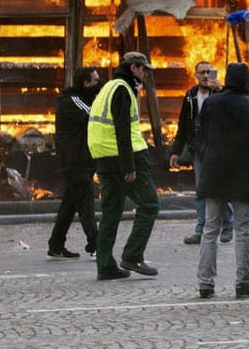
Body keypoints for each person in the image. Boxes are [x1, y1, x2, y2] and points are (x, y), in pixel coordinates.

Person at [194, 62, 249, 299]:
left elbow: (201, 136)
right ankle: (243, 282)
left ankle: (205, 283)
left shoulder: (210, 103)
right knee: (243, 230)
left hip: (213, 172)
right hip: (243, 174)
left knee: (210, 229)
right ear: (248, 82)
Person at [89, 52, 161, 280]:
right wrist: (129, 166)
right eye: (143, 69)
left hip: (105, 159)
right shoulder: (123, 90)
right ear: (133, 68)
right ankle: (132, 255)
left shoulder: (110, 86)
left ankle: (105, 265)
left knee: (111, 212)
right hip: (125, 159)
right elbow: (122, 131)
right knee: (150, 204)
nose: (146, 73)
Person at [170, 60, 232, 246]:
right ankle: (200, 229)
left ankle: (228, 224)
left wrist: (221, 91)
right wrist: (175, 151)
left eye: (209, 72)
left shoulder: (221, 93)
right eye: (202, 72)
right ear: (195, 75)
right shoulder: (190, 96)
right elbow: (183, 125)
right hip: (198, 149)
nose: (206, 76)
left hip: (218, 149)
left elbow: (231, 113)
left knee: (220, 188)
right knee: (201, 190)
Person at [48, 67, 100, 259]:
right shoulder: (74, 102)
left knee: (70, 204)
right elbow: (94, 118)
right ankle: (96, 244)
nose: (99, 85)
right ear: (85, 84)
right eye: (96, 81)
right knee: (86, 203)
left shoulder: (83, 100)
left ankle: (55, 244)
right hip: (76, 162)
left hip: (81, 160)